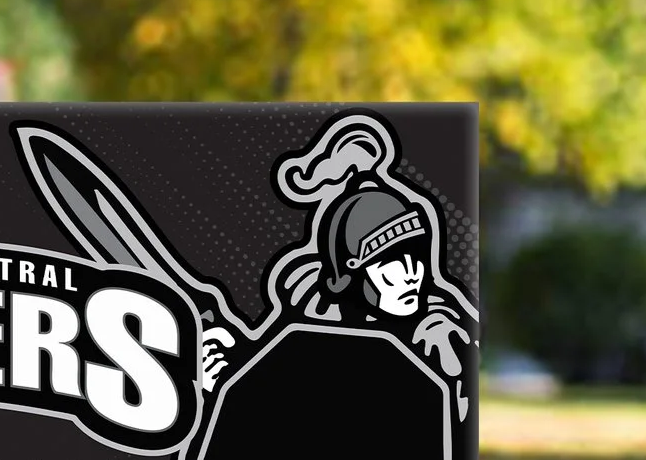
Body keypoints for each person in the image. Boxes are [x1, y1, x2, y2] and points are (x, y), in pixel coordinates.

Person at [197, 113, 475, 415]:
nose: (412, 275)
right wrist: (227, 375)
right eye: (390, 264)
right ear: (353, 273)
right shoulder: (319, 314)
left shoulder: (437, 332)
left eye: (416, 259)